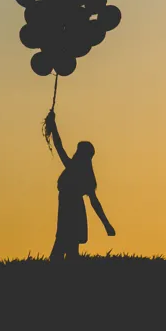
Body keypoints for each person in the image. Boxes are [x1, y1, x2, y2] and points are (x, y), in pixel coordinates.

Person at [44, 109, 115, 262]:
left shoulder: (73, 169)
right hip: (72, 209)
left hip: (69, 208)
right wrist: (53, 125)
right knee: (69, 248)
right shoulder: (84, 174)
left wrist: (53, 126)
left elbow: (59, 146)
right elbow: (94, 202)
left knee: (63, 247)